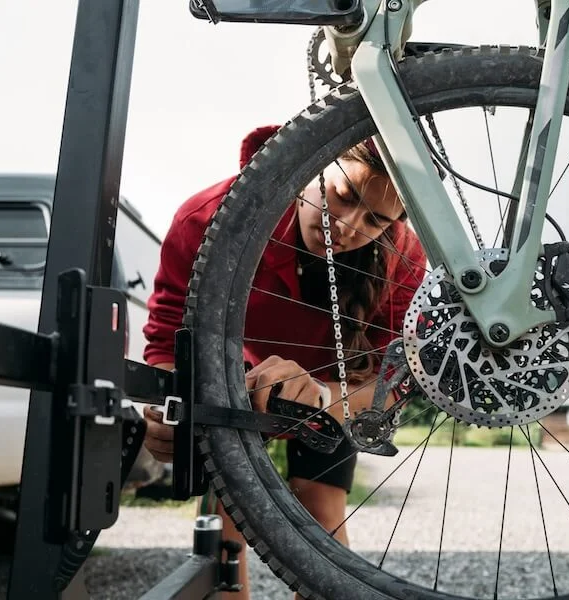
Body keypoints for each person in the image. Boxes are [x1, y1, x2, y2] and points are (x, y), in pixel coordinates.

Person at [141, 125, 426, 599]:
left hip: (332, 394)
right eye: (343, 196)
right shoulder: (211, 218)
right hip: (236, 384)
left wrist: (320, 397)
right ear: (313, 163)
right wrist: (167, 407)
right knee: (229, 512)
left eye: (376, 220)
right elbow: (169, 332)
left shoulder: (404, 258)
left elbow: (389, 381)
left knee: (323, 512)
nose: (348, 227)